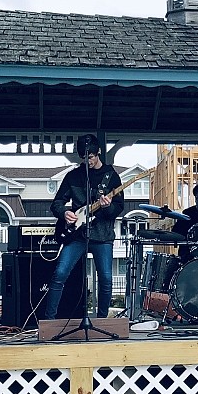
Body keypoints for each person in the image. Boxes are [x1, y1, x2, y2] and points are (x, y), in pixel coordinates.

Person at [45, 134, 124, 320]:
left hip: (102, 235)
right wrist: (65, 213)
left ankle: (102, 321)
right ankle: (49, 321)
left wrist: (107, 207)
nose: (87, 160)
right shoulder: (73, 176)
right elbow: (56, 203)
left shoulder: (111, 177)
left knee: (105, 279)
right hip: (76, 235)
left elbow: (118, 208)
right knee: (60, 273)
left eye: (91, 156)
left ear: (99, 153)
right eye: (84, 157)